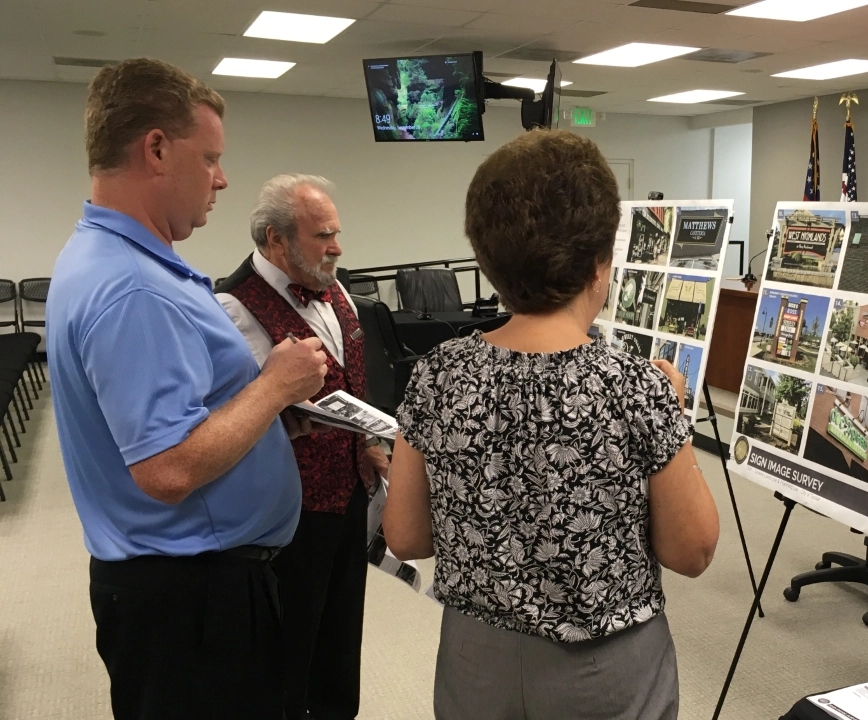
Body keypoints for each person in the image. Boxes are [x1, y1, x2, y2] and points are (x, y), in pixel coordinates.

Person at [382, 130, 721, 720]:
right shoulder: (636, 386)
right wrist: (673, 416)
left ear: (487, 259)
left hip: (475, 663)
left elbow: (406, 536)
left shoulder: (437, 375)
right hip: (605, 670)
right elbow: (692, 550)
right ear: (598, 263)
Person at [46, 58, 329, 720]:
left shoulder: (113, 259)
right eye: (210, 159)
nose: (222, 179)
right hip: (192, 602)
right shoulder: (133, 287)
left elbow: (179, 418)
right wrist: (275, 387)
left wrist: (269, 421)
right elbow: (167, 468)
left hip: (183, 592)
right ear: (155, 148)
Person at [215, 174, 388, 720]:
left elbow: (351, 382)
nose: (337, 247)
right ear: (275, 240)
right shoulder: (231, 310)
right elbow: (230, 421)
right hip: (287, 511)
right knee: (290, 647)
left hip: (351, 495)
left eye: (336, 232)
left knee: (340, 638)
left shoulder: (336, 290)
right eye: (322, 236)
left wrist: (368, 446)